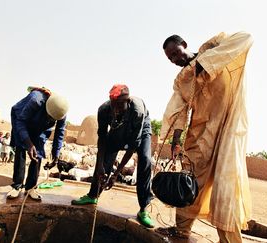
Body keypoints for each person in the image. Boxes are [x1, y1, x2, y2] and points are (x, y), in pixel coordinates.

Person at [159, 32, 253, 242]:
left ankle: (228, 239)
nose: (175, 60)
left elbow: (246, 38)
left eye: (176, 53)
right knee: (190, 182)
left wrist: (208, 62)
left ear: (184, 44)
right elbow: (178, 111)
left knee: (225, 185)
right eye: (170, 58)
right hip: (200, 135)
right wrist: (175, 142)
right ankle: (181, 229)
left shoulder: (211, 48)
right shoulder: (182, 79)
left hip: (229, 128)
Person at [71, 84, 154, 228]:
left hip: (141, 129)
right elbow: (102, 138)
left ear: (127, 102)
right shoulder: (104, 110)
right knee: (104, 160)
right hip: (119, 127)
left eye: (120, 105)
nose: (116, 109)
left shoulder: (137, 111)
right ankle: (93, 195)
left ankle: (143, 209)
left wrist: (116, 174)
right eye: (113, 105)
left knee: (146, 160)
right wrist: (100, 166)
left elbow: (133, 145)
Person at [6, 86, 68, 201]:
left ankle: (31, 187)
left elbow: (59, 133)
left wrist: (56, 154)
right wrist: (28, 144)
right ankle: (17, 185)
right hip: (21, 119)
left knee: (38, 152)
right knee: (21, 148)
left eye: (53, 120)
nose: (51, 120)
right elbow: (21, 121)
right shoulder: (35, 100)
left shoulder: (60, 112)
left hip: (40, 125)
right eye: (50, 117)